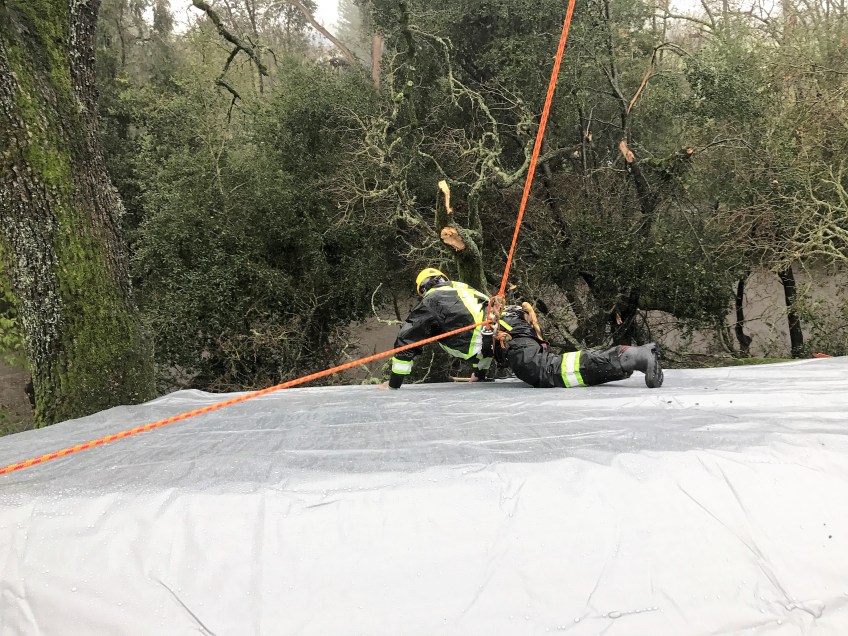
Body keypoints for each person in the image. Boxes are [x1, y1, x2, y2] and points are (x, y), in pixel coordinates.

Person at [385, 268, 663, 390]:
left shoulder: (432, 301)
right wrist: (479, 374)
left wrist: (394, 384)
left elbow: (406, 342)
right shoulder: (462, 290)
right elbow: (482, 340)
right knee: (548, 366)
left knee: (546, 371)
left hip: (507, 334)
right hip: (510, 328)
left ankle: (630, 357)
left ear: (423, 289)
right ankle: (628, 359)